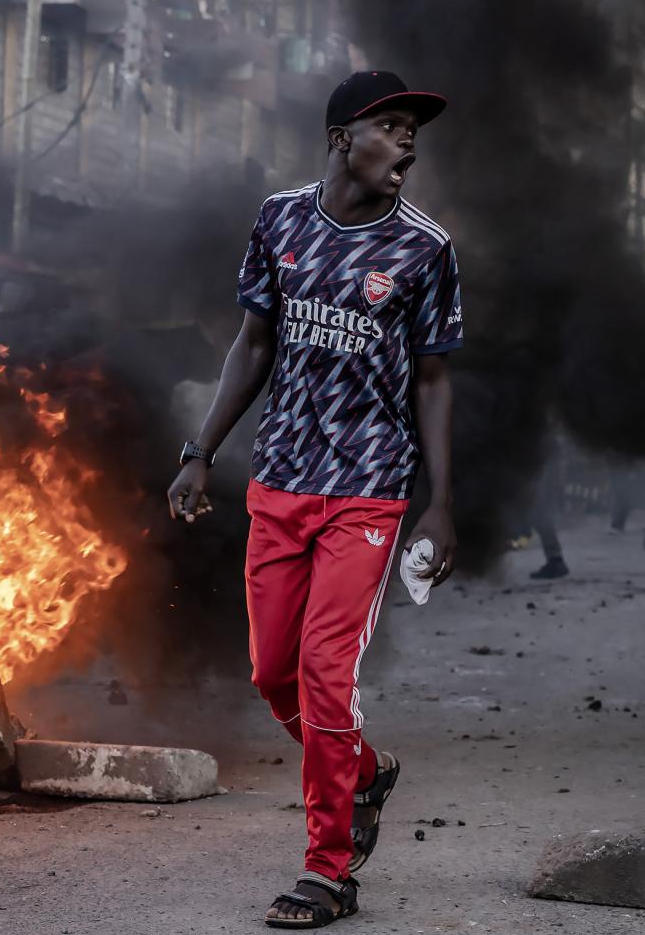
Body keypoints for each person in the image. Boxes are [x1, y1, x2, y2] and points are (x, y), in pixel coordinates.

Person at [167, 71, 460, 928]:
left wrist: (440, 503)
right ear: (343, 138)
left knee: (327, 675)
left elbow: (436, 380)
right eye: (393, 126)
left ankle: (329, 869)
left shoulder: (425, 247)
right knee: (273, 675)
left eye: (415, 132)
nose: (409, 143)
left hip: (367, 490)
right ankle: (364, 770)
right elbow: (253, 343)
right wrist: (200, 450)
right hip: (280, 481)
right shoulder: (280, 220)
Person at [530, 433, 569, 579]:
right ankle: (555, 559)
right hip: (540, 463)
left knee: (539, 513)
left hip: (540, 465)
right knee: (538, 513)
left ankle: (556, 560)